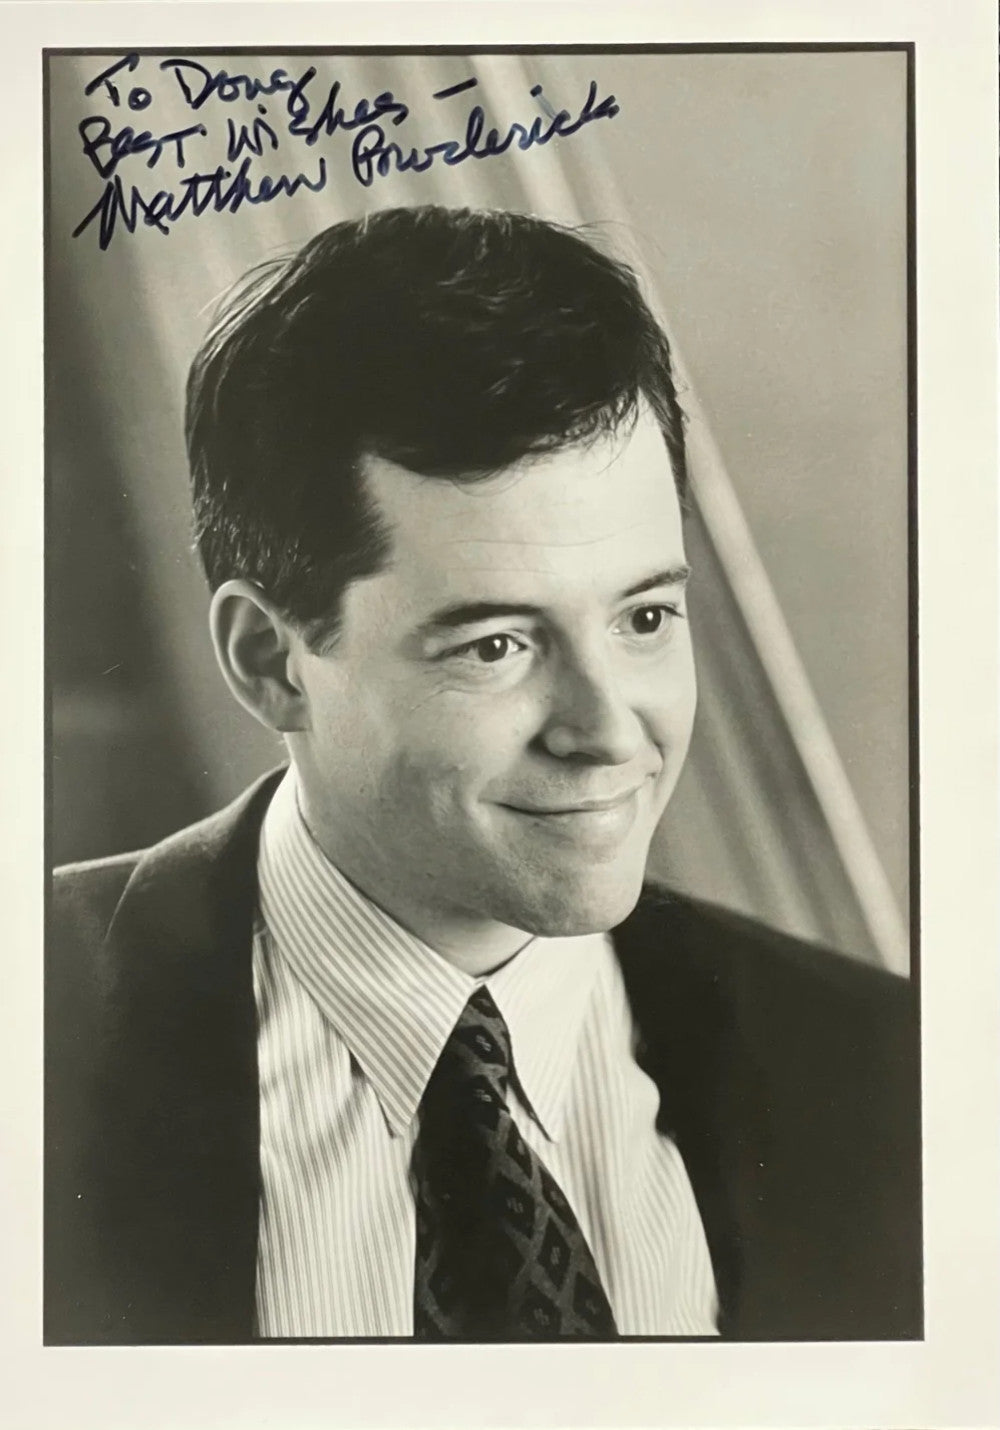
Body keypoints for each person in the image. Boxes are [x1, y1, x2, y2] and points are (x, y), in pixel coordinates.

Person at [46, 205, 920, 1346]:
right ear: (271, 661)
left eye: (645, 618)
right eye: (496, 644)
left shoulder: (883, 1071)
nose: (608, 731)